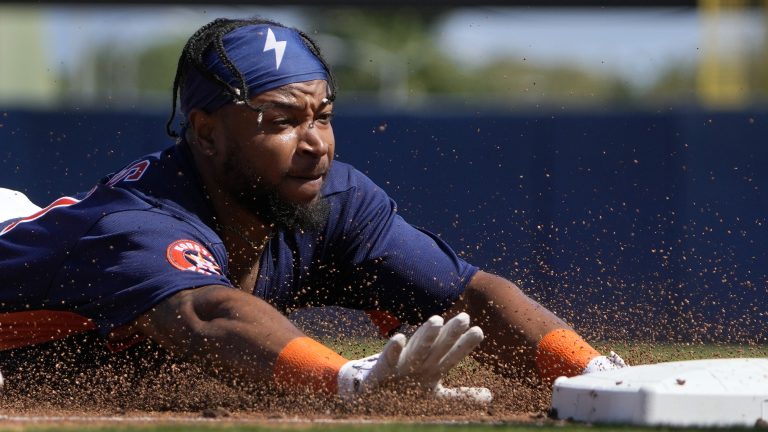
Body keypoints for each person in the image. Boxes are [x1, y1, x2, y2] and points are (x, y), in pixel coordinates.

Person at [0, 17, 625, 401]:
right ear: (208, 133)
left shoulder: (338, 203)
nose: (315, 143)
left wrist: (593, 373)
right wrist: (347, 381)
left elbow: (467, 295)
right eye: (281, 121)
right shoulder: (140, 222)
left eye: (322, 116)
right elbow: (209, 314)